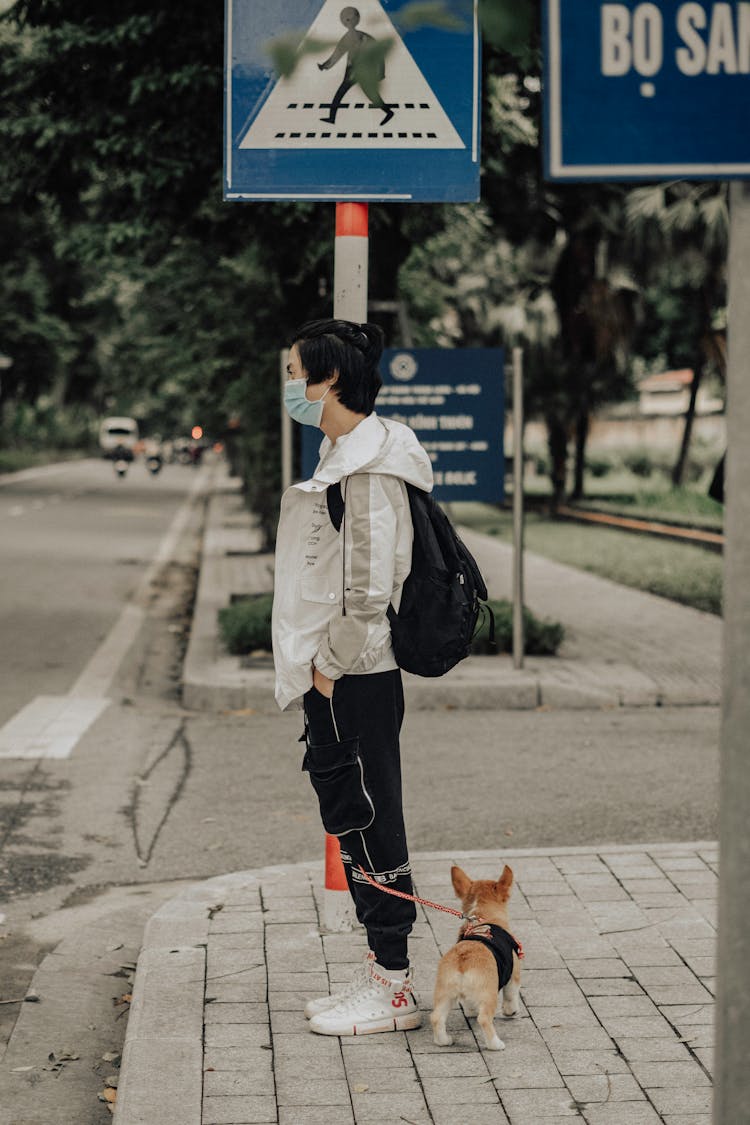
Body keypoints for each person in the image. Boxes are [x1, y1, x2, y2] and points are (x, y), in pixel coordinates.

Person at [272, 318, 433, 1037]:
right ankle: (380, 971)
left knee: (368, 818)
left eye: (292, 371)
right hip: (340, 674)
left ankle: (393, 988)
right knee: (350, 817)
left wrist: (328, 669)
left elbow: (370, 590)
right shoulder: (346, 453)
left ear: (327, 379)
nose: (287, 385)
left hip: (356, 676)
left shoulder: (368, 466)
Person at [318, 6, 394, 127]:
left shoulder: (363, 37)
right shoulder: (349, 37)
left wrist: (381, 71)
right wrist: (325, 66)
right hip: (351, 70)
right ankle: (388, 112)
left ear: (356, 19)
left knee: (344, 93)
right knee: (366, 94)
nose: (348, 22)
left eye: (350, 19)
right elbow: (337, 54)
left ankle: (388, 112)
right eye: (346, 19)